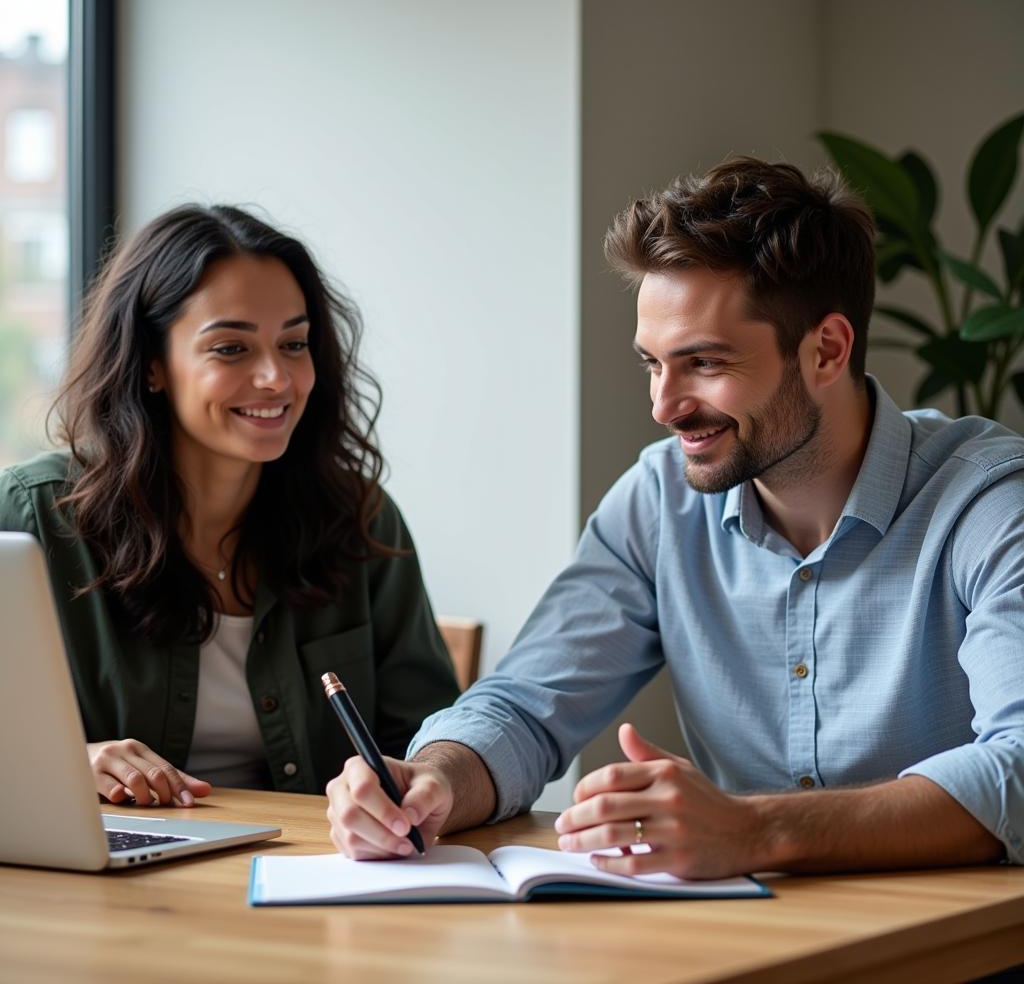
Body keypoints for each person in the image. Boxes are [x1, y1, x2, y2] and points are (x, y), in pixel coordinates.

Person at [326, 158, 1024, 874]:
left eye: (705, 363)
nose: (664, 406)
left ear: (827, 350)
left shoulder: (992, 502)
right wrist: (438, 778)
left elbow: (1021, 769)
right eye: (653, 364)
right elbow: (525, 706)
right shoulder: (660, 498)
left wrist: (758, 832)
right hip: (736, 941)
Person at [0, 204, 459, 807]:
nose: (276, 377)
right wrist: (69, 763)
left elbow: (430, 735)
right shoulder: (31, 519)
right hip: (106, 884)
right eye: (231, 349)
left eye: (294, 343)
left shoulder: (359, 519)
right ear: (154, 365)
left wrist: (419, 785)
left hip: (318, 872)